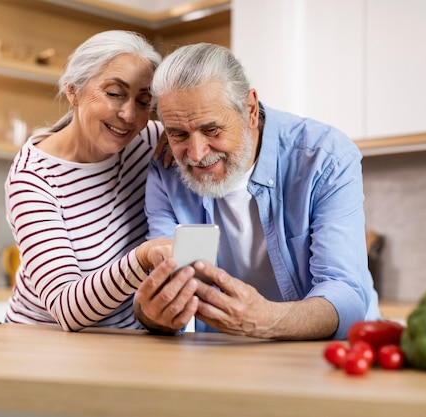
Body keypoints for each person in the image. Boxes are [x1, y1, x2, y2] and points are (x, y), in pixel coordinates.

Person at [134, 43, 380, 340]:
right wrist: (152, 313)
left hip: (324, 353)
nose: (197, 154)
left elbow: (347, 294)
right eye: (179, 134)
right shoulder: (167, 168)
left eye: (212, 130)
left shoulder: (325, 156)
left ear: (250, 109)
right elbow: (166, 285)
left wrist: (267, 320)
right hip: (223, 354)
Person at [4, 30, 172, 331]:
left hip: (125, 344)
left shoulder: (148, 140)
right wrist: (142, 259)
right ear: (73, 91)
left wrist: (182, 136)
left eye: (144, 100)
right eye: (114, 93)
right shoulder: (32, 179)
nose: (129, 114)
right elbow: (66, 307)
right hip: (41, 344)